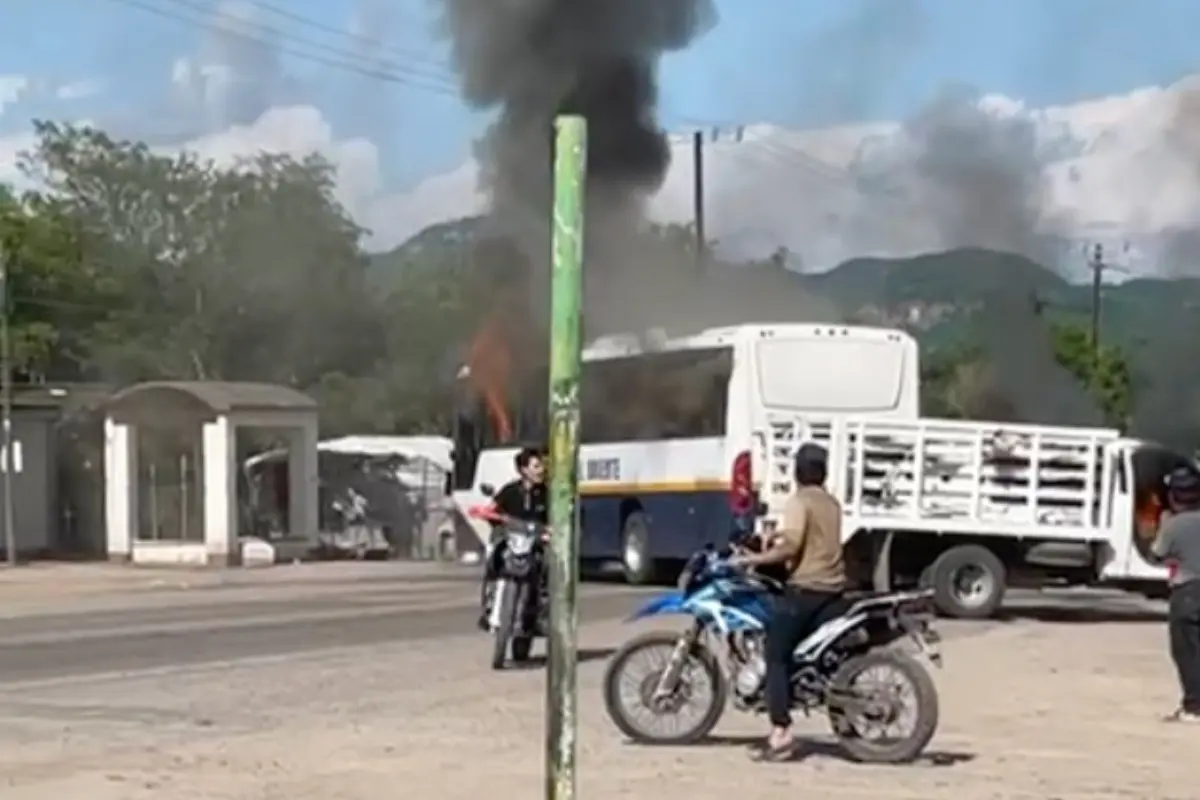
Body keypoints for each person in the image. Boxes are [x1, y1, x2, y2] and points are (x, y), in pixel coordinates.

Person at [730, 443, 846, 759]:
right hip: (832, 589)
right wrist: (776, 538)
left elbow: (792, 548)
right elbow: (812, 539)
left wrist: (752, 559)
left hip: (808, 588)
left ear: (797, 471)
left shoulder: (799, 501)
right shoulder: (830, 502)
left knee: (775, 653)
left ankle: (780, 732)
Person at [478, 446, 548, 630]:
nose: (541, 470)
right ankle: (488, 605)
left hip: (535, 543)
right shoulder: (510, 491)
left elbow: (555, 519)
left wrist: (550, 531)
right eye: (536, 466)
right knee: (493, 559)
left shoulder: (546, 494)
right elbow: (492, 508)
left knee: (547, 567)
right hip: (511, 541)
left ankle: (541, 611)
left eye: (541, 466)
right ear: (524, 470)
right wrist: (489, 515)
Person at [1151, 465, 1200, 723]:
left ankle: (1194, 707)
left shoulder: (1174, 525)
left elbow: (1157, 553)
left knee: (1187, 651)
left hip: (1189, 591)